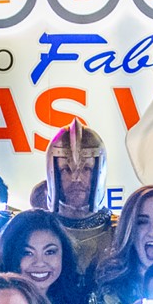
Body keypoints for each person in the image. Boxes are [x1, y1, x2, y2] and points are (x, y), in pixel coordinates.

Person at [44, 118, 115, 275]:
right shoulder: (36, 229)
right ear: (54, 173)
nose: (76, 179)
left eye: (87, 169)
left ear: (98, 171)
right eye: (66, 170)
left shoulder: (119, 233)